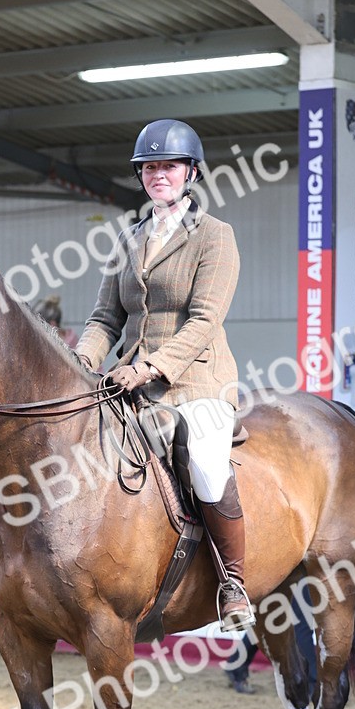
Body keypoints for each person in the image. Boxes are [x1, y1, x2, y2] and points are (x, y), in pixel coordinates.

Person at [75, 119, 253, 631]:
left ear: (190, 173)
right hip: (128, 382)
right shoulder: (127, 239)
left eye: (169, 166)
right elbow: (105, 318)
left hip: (196, 381)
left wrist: (150, 367)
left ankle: (233, 582)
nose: (159, 175)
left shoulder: (216, 237)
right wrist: (84, 363)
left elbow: (205, 319)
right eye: (150, 167)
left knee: (204, 460)